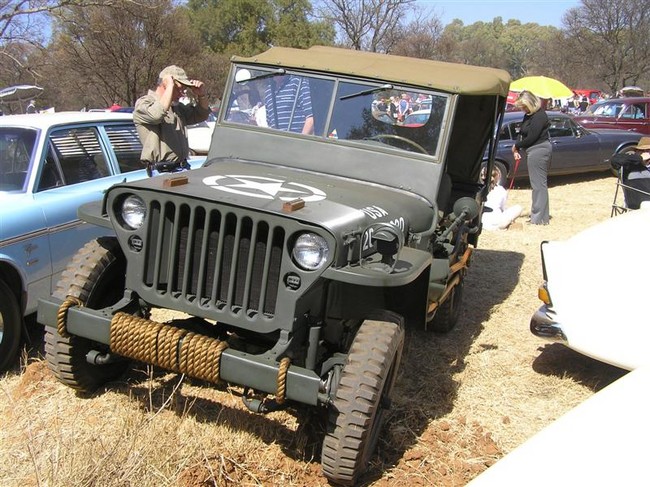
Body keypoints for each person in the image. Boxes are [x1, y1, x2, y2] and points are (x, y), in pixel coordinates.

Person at [133, 65, 210, 176]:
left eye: (184, 89)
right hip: (161, 172)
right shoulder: (144, 103)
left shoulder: (177, 108)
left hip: (182, 167)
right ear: (165, 84)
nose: (182, 93)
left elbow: (201, 115)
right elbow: (156, 115)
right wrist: (170, 86)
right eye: (178, 88)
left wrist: (202, 95)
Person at [512, 91, 551, 225]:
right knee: (539, 185)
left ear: (531, 103)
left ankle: (537, 218)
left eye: (524, 106)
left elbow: (532, 137)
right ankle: (542, 218)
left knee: (538, 185)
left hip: (539, 150)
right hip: (532, 150)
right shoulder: (529, 115)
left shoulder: (539, 116)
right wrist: (517, 147)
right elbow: (522, 132)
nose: (523, 110)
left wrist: (517, 145)